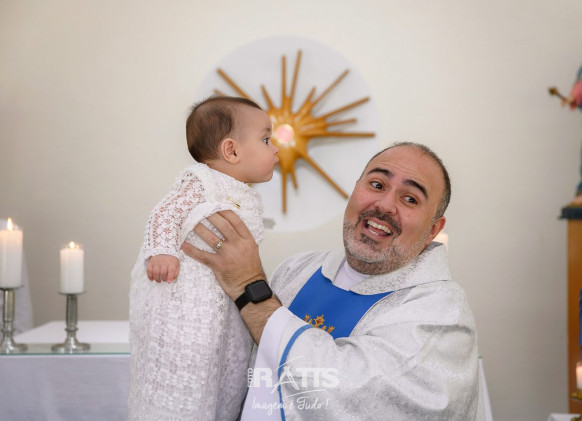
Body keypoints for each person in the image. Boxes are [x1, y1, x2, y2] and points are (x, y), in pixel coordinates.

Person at [182, 142, 486, 420]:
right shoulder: (297, 269)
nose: (385, 205)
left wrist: (251, 288)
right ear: (355, 190)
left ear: (433, 230)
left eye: (410, 198)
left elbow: (361, 392)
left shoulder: (442, 312)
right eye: (377, 185)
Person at [128, 96, 279, 420]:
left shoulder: (241, 192)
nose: (276, 149)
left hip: (220, 301)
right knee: (186, 368)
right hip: (187, 299)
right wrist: (163, 251)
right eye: (266, 140)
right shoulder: (202, 181)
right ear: (231, 151)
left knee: (221, 370)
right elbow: (165, 213)